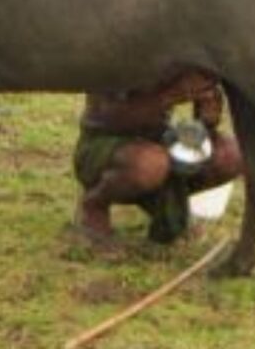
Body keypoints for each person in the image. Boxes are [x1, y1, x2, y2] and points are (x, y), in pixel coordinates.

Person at [73, 71, 244, 244]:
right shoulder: (117, 61)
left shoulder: (179, 60)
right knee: (151, 164)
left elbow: (204, 125)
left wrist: (207, 114)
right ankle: (95, 203)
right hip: (104, 144)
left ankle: (166, 203)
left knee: (231, 154)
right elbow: (109, 117)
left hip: (160, 140)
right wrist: (172, 95)